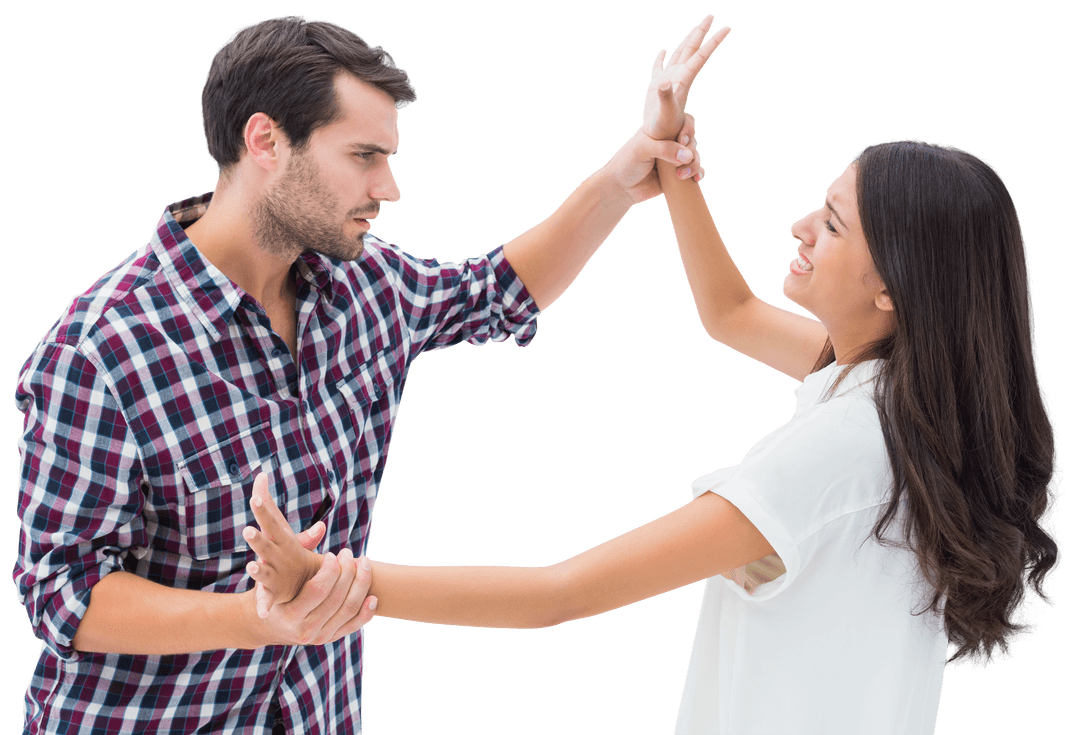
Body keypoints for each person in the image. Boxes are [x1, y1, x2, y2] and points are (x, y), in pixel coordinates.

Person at [245, 20, 1064, 735]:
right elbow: (729, 311)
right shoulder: (906, 398)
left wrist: (331, 579)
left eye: (835, 223)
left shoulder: (831, 458)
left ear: (895, 286)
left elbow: (556, 594)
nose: (802, 225)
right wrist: (669, 156)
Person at [11, 14, 716, 735]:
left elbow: (493, 293)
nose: (390, 187)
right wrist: (257, 619)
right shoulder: (101, 348)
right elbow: (64, 593)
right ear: (266, 142)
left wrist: (620, 182)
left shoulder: (364, 285)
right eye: (365, 155)